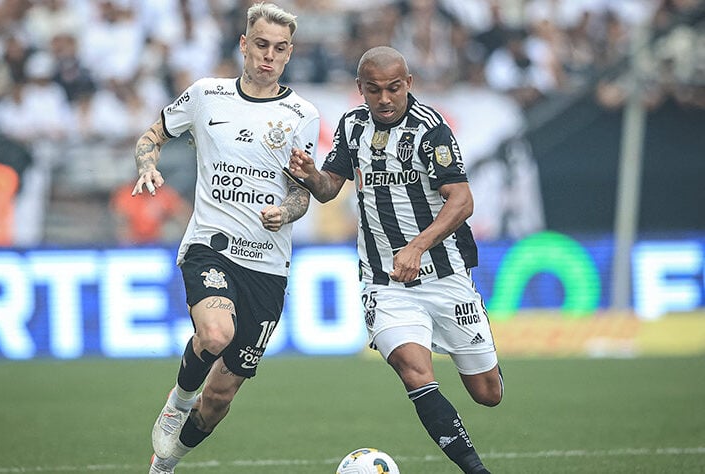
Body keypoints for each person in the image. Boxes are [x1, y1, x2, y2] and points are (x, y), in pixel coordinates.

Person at [288, 46, 502, 474]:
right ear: (360, 89)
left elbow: (462, 201)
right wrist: (312, 175)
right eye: (374, 90)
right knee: (414, 372)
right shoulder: (352, 127)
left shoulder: (431, 130)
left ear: (409, 84)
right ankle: (476, 470)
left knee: (487, 393)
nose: (384, 99)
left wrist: (418, 246)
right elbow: (331, 187)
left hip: (445, 275)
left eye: (393, 88)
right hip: (384, 282)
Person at [131, 3, 319, 473]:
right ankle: (176, 401)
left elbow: (302, 195)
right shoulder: (206, 95)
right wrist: (146, 165)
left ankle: (167, 460)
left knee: (218, 399)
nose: (268, 56)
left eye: (279, 49)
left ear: (289, 54)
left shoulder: (302, 114)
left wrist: (286, 210)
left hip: (268, 267)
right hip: (211, 246)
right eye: (260, 45)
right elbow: (151, 135)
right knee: (215, 332)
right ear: (243, 44)